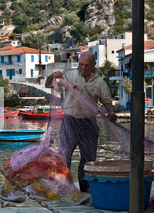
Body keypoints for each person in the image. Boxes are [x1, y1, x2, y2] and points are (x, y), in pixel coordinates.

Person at [45, 51, 117, 192]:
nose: (83, 67)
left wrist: (111, 112)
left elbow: (107, 102)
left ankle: (85, 186)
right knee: (64, 155)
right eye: (81, 64)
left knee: (89, 158)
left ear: (94, 65)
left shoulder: (99, 82)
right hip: (70, 120)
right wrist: (53, 75)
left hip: (89, 123)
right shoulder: (69, 75)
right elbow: (49, 85)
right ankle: (62, 185)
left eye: (87, 65)